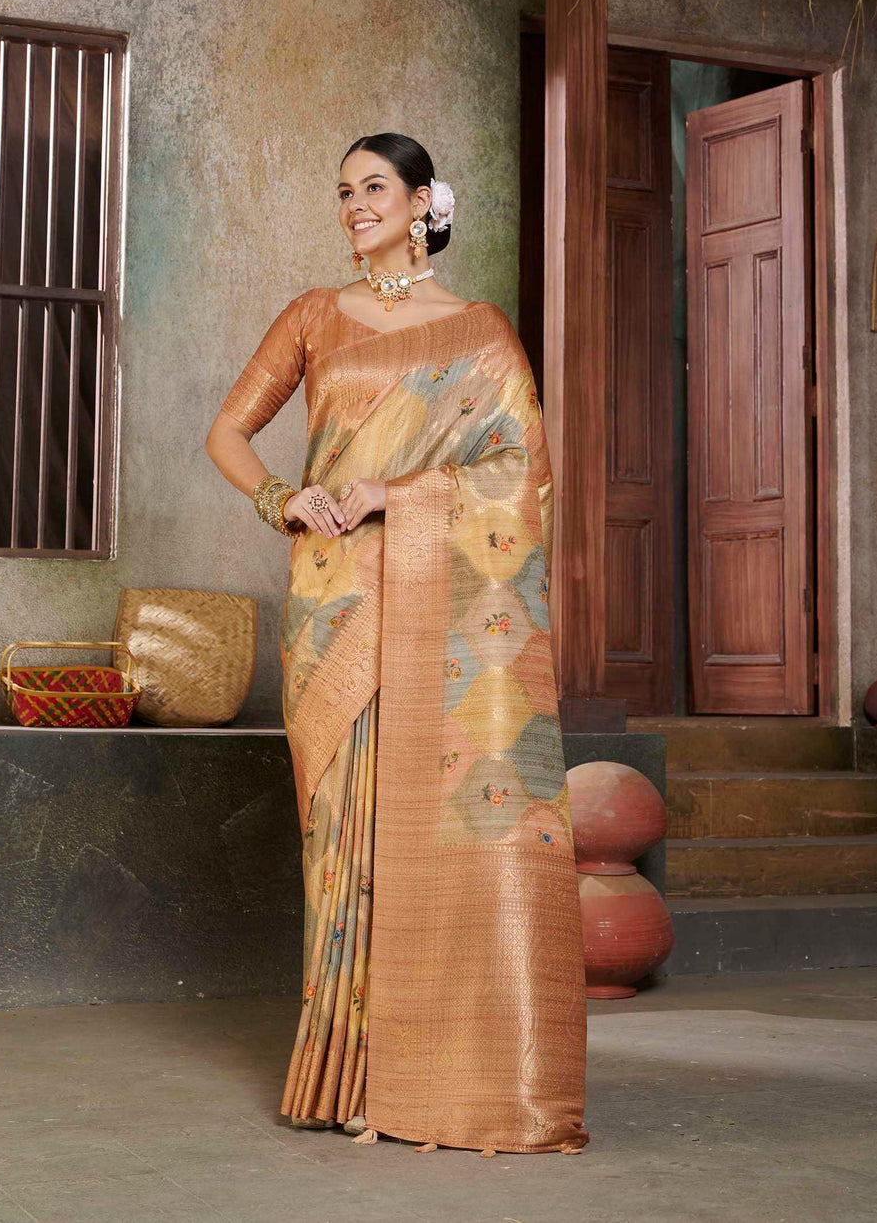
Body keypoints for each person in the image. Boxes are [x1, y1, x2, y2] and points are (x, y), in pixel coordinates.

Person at [204, 133, 589, 1157]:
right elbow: (227, 436)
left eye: (373, 187)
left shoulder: (479, 332)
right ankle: (342, 1073)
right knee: (341, 838)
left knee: (437, 819)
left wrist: (397, 493)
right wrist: (291, 500)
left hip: (439, 601)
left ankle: (438, 1073)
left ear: (424, 201)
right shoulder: (313, 316)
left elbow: (523, 472)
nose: (353, 206)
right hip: (332, 601)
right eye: (342, 191)